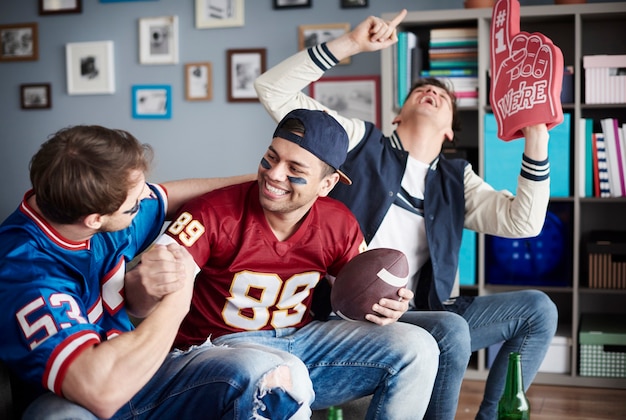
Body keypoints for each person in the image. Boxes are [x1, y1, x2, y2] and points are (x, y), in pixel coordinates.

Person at [254, 10, 559, 420]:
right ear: (397, 113)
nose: (431, 93)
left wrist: (536, 134)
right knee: (451, 331)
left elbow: (524, 223)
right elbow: (272, 89)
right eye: (420, 91)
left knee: (538, 309)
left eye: (443, 97)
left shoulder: (458, 179)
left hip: (426, 310)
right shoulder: (360, 142)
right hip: (350, 312)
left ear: (451, 128)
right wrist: (351, 44)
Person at [0, 125, 312, 419]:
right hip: (79, 396)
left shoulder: (81, 203)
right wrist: (178, 297)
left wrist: (268, 184)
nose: (145, 200)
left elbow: (168, 196)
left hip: (143, 369)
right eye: (134, 204)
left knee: (260, 369)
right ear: (94, 220)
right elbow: (101, 391)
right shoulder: (25, 274)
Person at [156, 108, 440, 419]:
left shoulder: (338, 221)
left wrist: (385, 306)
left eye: (294, 168)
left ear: (326, 184)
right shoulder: (212, 211)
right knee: (288, 374)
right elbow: (148, 291)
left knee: (419, 347)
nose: (275, 174)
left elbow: (358, 291)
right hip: (217, 351)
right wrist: (149, 281)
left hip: (300, 338)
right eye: (271, 157)